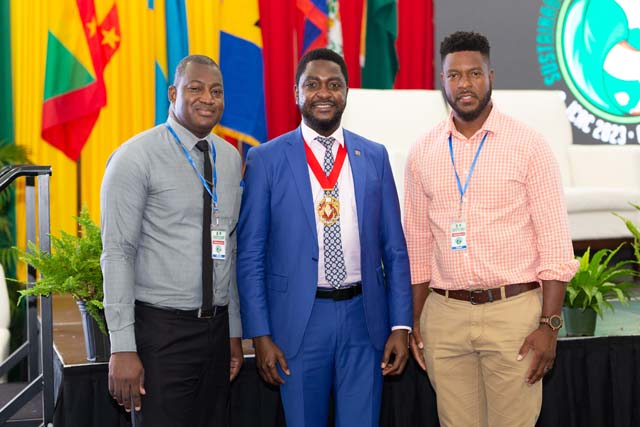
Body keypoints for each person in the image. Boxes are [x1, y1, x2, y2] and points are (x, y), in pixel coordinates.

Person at [404, 31, 578, 427]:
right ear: (442, 81)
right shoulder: (422, 152)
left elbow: (554, 244)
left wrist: (549, 326)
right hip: (444, 317)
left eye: (474, 73)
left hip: (512, 314)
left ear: (491, 76)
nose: (464, 84)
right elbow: (417, 247)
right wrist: (415, 320)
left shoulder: (529, 145)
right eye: (454, 75)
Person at [237, 48, 412, 427]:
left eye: (334, 85)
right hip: (298, 321)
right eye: (312, 84)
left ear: (346, 92)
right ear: (296, 93)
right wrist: (260, 333)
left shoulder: (374, 156)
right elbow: (250, 254)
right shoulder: (265, 159)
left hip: (365, 319)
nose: (324, 93)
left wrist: (401, 325)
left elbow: (395, 249)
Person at [101, 54, 243, 427]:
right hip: (161, 333)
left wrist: (233, 330)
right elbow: (117, 254)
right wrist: (122, 347)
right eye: (195, 88)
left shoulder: (230, 159)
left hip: (216, 333)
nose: (207, 98)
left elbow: (228, 247)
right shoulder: (135, 157)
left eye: (216, 91)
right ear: (172, 93)